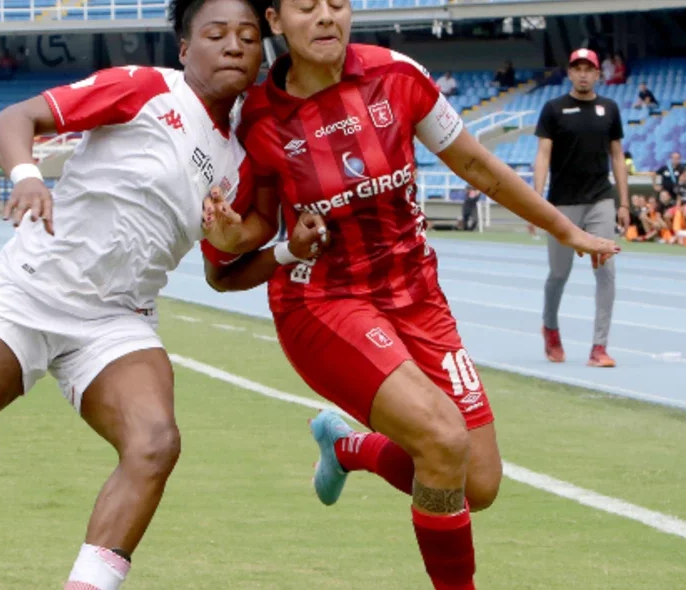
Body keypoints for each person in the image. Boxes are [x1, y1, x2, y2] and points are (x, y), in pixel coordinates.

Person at [0, 2, 276, 589]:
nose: (235, 46)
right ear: (186, 48)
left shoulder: (241, 161)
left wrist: (278, 248)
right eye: (216, 34)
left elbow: (224, 270)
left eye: (248, 36)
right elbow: (16, 118)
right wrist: (28, 178)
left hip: (117, 320)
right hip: (32, 293)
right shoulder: (144, 88)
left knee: (154, 444)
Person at [200, 13, 619, 588]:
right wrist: (229, 237)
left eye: (336, 1)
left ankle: (349, 448)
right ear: (276, 18)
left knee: (478, 484)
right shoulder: (257, 118)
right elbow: (240, 247)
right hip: (324, 301)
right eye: (306, 3)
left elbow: (475, 164)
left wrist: (563, 229)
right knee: (443, 440)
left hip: (417, 296)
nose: (325, 14)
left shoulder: (398, 76)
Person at [530, 48, 631, 368]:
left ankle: (599, 347)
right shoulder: (554, 109)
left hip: (601, 200)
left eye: (589, 69)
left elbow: (617, 157)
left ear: (598, 74)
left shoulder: (609, 109)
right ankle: (550, 327)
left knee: (606, 272)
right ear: (570, 73)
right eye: (578, 69)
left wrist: (624, 202)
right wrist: (535, 201)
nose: (583, 74)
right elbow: (543, 155)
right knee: (559, 274)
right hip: (562, 204)